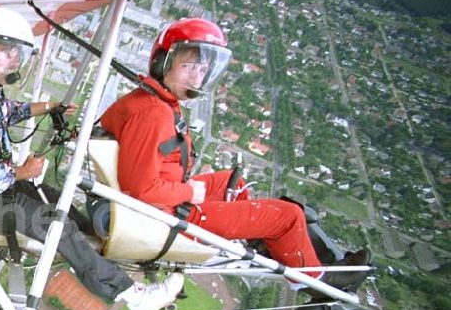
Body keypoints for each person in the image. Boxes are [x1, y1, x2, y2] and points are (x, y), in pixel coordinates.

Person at [0, 6, 184, 310]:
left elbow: (8, 111)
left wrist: (50, 106)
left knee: (63, 207)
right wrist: (22, 172)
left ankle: (112, 269)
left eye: (17, 52)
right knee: (56, 227)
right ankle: (135, 296)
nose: (14, 59)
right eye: (5, 50)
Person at [99, 17, 369, 290]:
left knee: (233, 184)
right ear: (163, 63)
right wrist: (189, 193)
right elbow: (140, 189)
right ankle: (319, 281)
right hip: (169, 215)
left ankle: (280, 248)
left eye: (202, 68)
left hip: (169, 199)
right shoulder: (153, 113)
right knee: (288, 215)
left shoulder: (153, 100)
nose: (197, 76)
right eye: (188, 66)